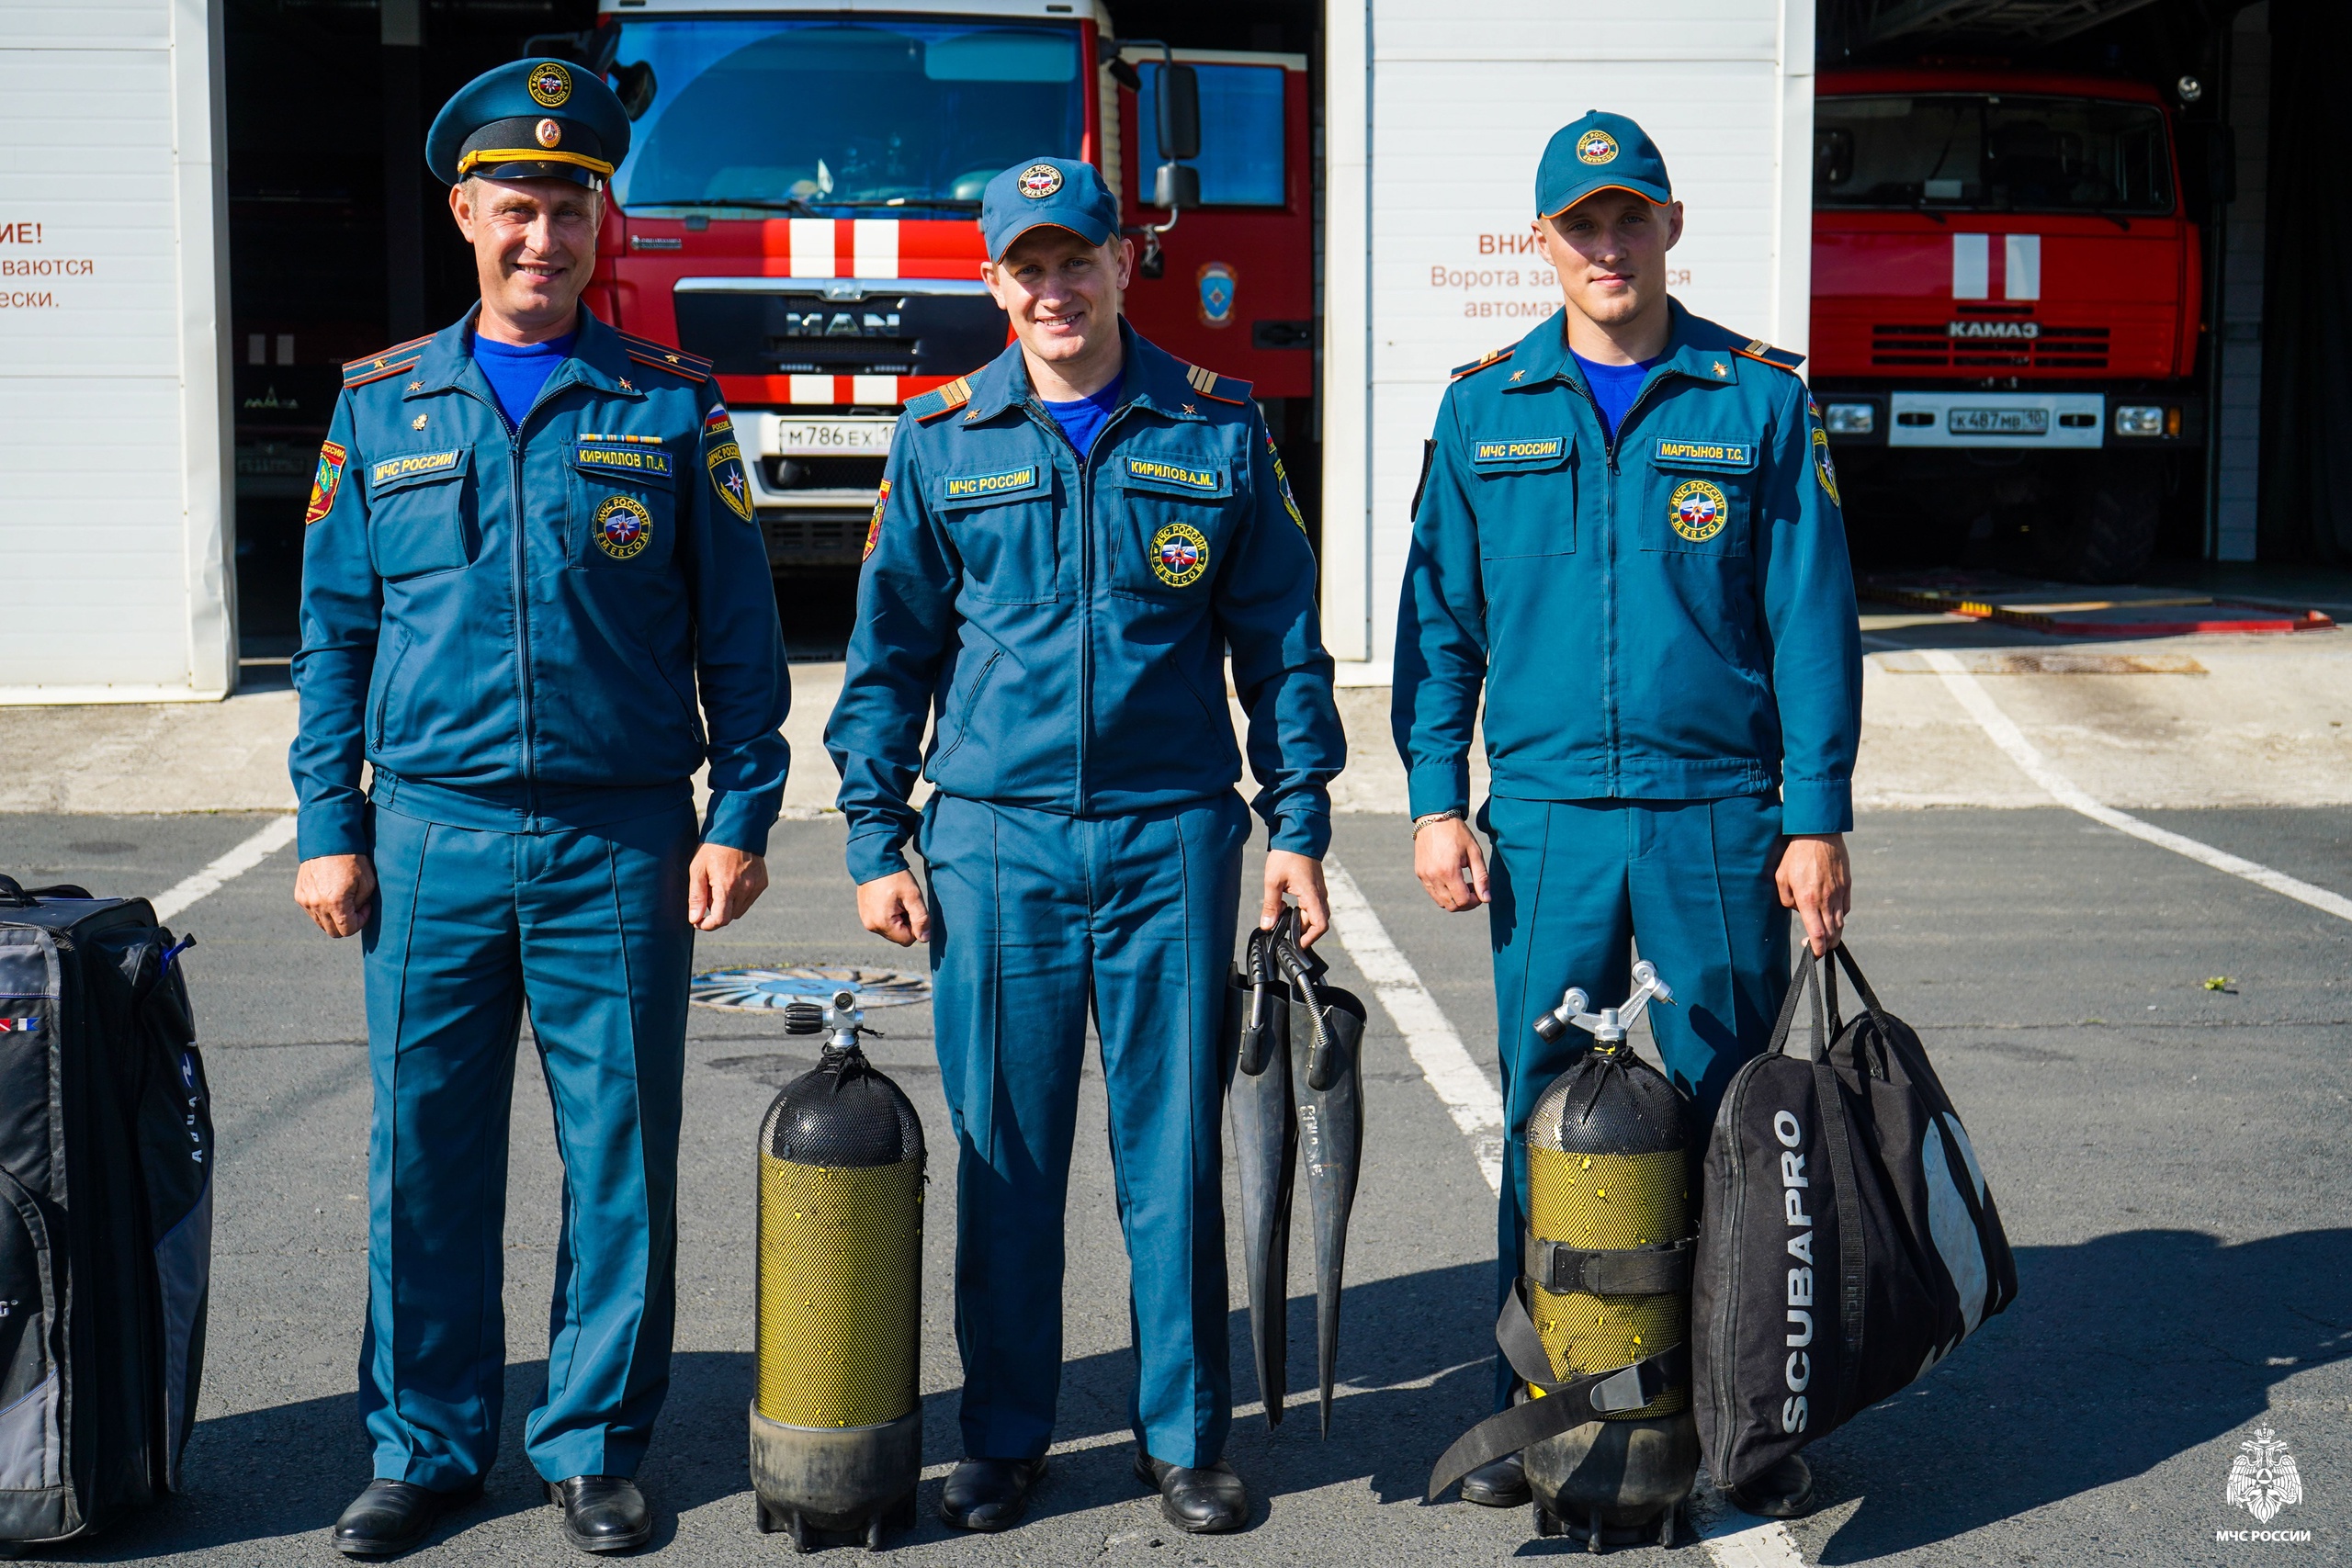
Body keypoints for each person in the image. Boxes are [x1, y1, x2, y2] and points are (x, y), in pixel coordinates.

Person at [288, 58, 790, 1559]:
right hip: (428, 830)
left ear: (599, 223)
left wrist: (740, 812)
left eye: (569, 210)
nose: (543, 238)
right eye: (516, 208)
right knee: (423, 1161)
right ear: (465, 214)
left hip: (616, 838)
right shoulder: (381, 403)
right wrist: (327, 824)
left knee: (619, 1158)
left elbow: (740, 634)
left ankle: (593, 1447)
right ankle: (424, 1449)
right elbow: (334, 636)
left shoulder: (670, 405)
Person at [825, 157, 1344, 1537]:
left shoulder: (1218, 427)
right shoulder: (942, 440)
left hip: (1172, 836)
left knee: (1174, 1154)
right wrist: (876, 834)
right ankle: (1004, 1436)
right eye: (1028, 266)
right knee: (1007, 1153)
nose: (1054, 288)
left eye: (1077, 259)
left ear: (1125, 262)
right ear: (993, 282)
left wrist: (1298, 823)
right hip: (996, 843)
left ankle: (1184, 1437)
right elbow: (888, 657)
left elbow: (1283, 646)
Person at [1391, 111, 1861, 1519]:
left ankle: (1735, 1415)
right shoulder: (1485, 411)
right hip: (1546, 823)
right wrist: (1436, 800)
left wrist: (1815, 816)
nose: (1607, 246)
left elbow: (1812, 622)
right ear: (1543, 242)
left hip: (1716, 816)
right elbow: (1440, 628)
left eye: (1629, 218)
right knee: (1545, 1114)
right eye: (1580, 225)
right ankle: (1538, 1402)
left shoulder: (1757, 402)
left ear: (1670, 226)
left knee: (1732, 1123)